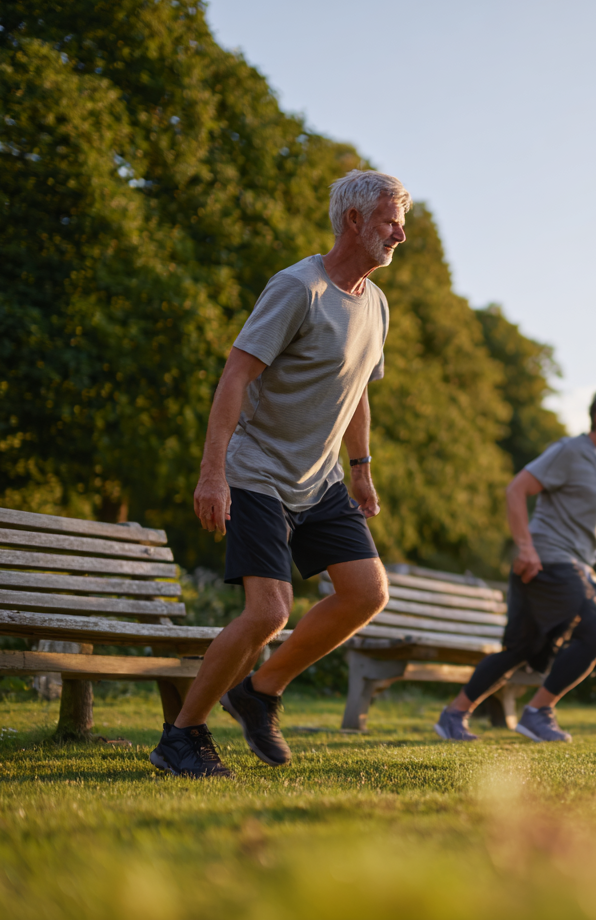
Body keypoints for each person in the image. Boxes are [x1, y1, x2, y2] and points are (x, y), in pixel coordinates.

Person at [151, 170, 411, 778]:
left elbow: (357, 391)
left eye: (402, 222)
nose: (400, 233)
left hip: (319, 481)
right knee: (269, 611)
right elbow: (235, 375)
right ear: (354, 221)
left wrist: (361, 468)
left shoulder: (376, 304)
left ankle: (260, 692)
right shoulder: (299, 288)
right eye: (390, 221)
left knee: (367, 592)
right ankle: (181, 736)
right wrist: (212, 473)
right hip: (258, 472)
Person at [435, 388, 596, 743]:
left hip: (572, 565)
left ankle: (453, 714)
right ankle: (537, 712)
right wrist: (526, 548)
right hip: (549, 560)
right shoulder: (569, 452)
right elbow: (516, 489)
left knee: (520, 650)